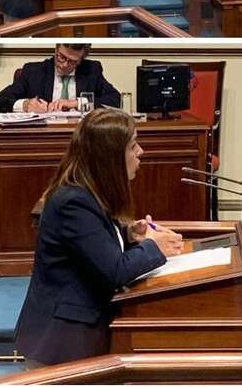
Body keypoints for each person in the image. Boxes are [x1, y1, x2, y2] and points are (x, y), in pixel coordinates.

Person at [14, 108, 184, 367]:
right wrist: (154, 247)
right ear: (111, 157)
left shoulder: (89, 191)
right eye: (133, 145)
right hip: (62, 341)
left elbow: (90, 247)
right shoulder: (75, 201)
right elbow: (115, 270)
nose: (141, 152)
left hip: (76, 335)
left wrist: (128, 235)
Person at [0, 44, 121, 114]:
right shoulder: (33, 72)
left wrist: (76, 103)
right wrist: (25, 105)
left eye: (72, 61)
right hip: (43, 141)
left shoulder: (91, 70)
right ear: (56, 50)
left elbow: (115, 99)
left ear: (81, 60)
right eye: (61, 57)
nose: (64, 64)